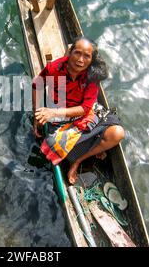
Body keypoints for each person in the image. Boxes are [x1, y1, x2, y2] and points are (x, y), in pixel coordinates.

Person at [32, 36, 125, 185]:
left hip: (83, 115)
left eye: (86, 56)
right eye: (77, 53)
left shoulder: (92, 76)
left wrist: (53, 112)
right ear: (70, 52)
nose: (80, 60)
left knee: (117, 133)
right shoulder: (54, 68)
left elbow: (85, 108)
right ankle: (93, 146)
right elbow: (36, 85)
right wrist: (37, 114)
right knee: (50, 145)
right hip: (61, 117)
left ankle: (78, 161)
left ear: (91, 59)